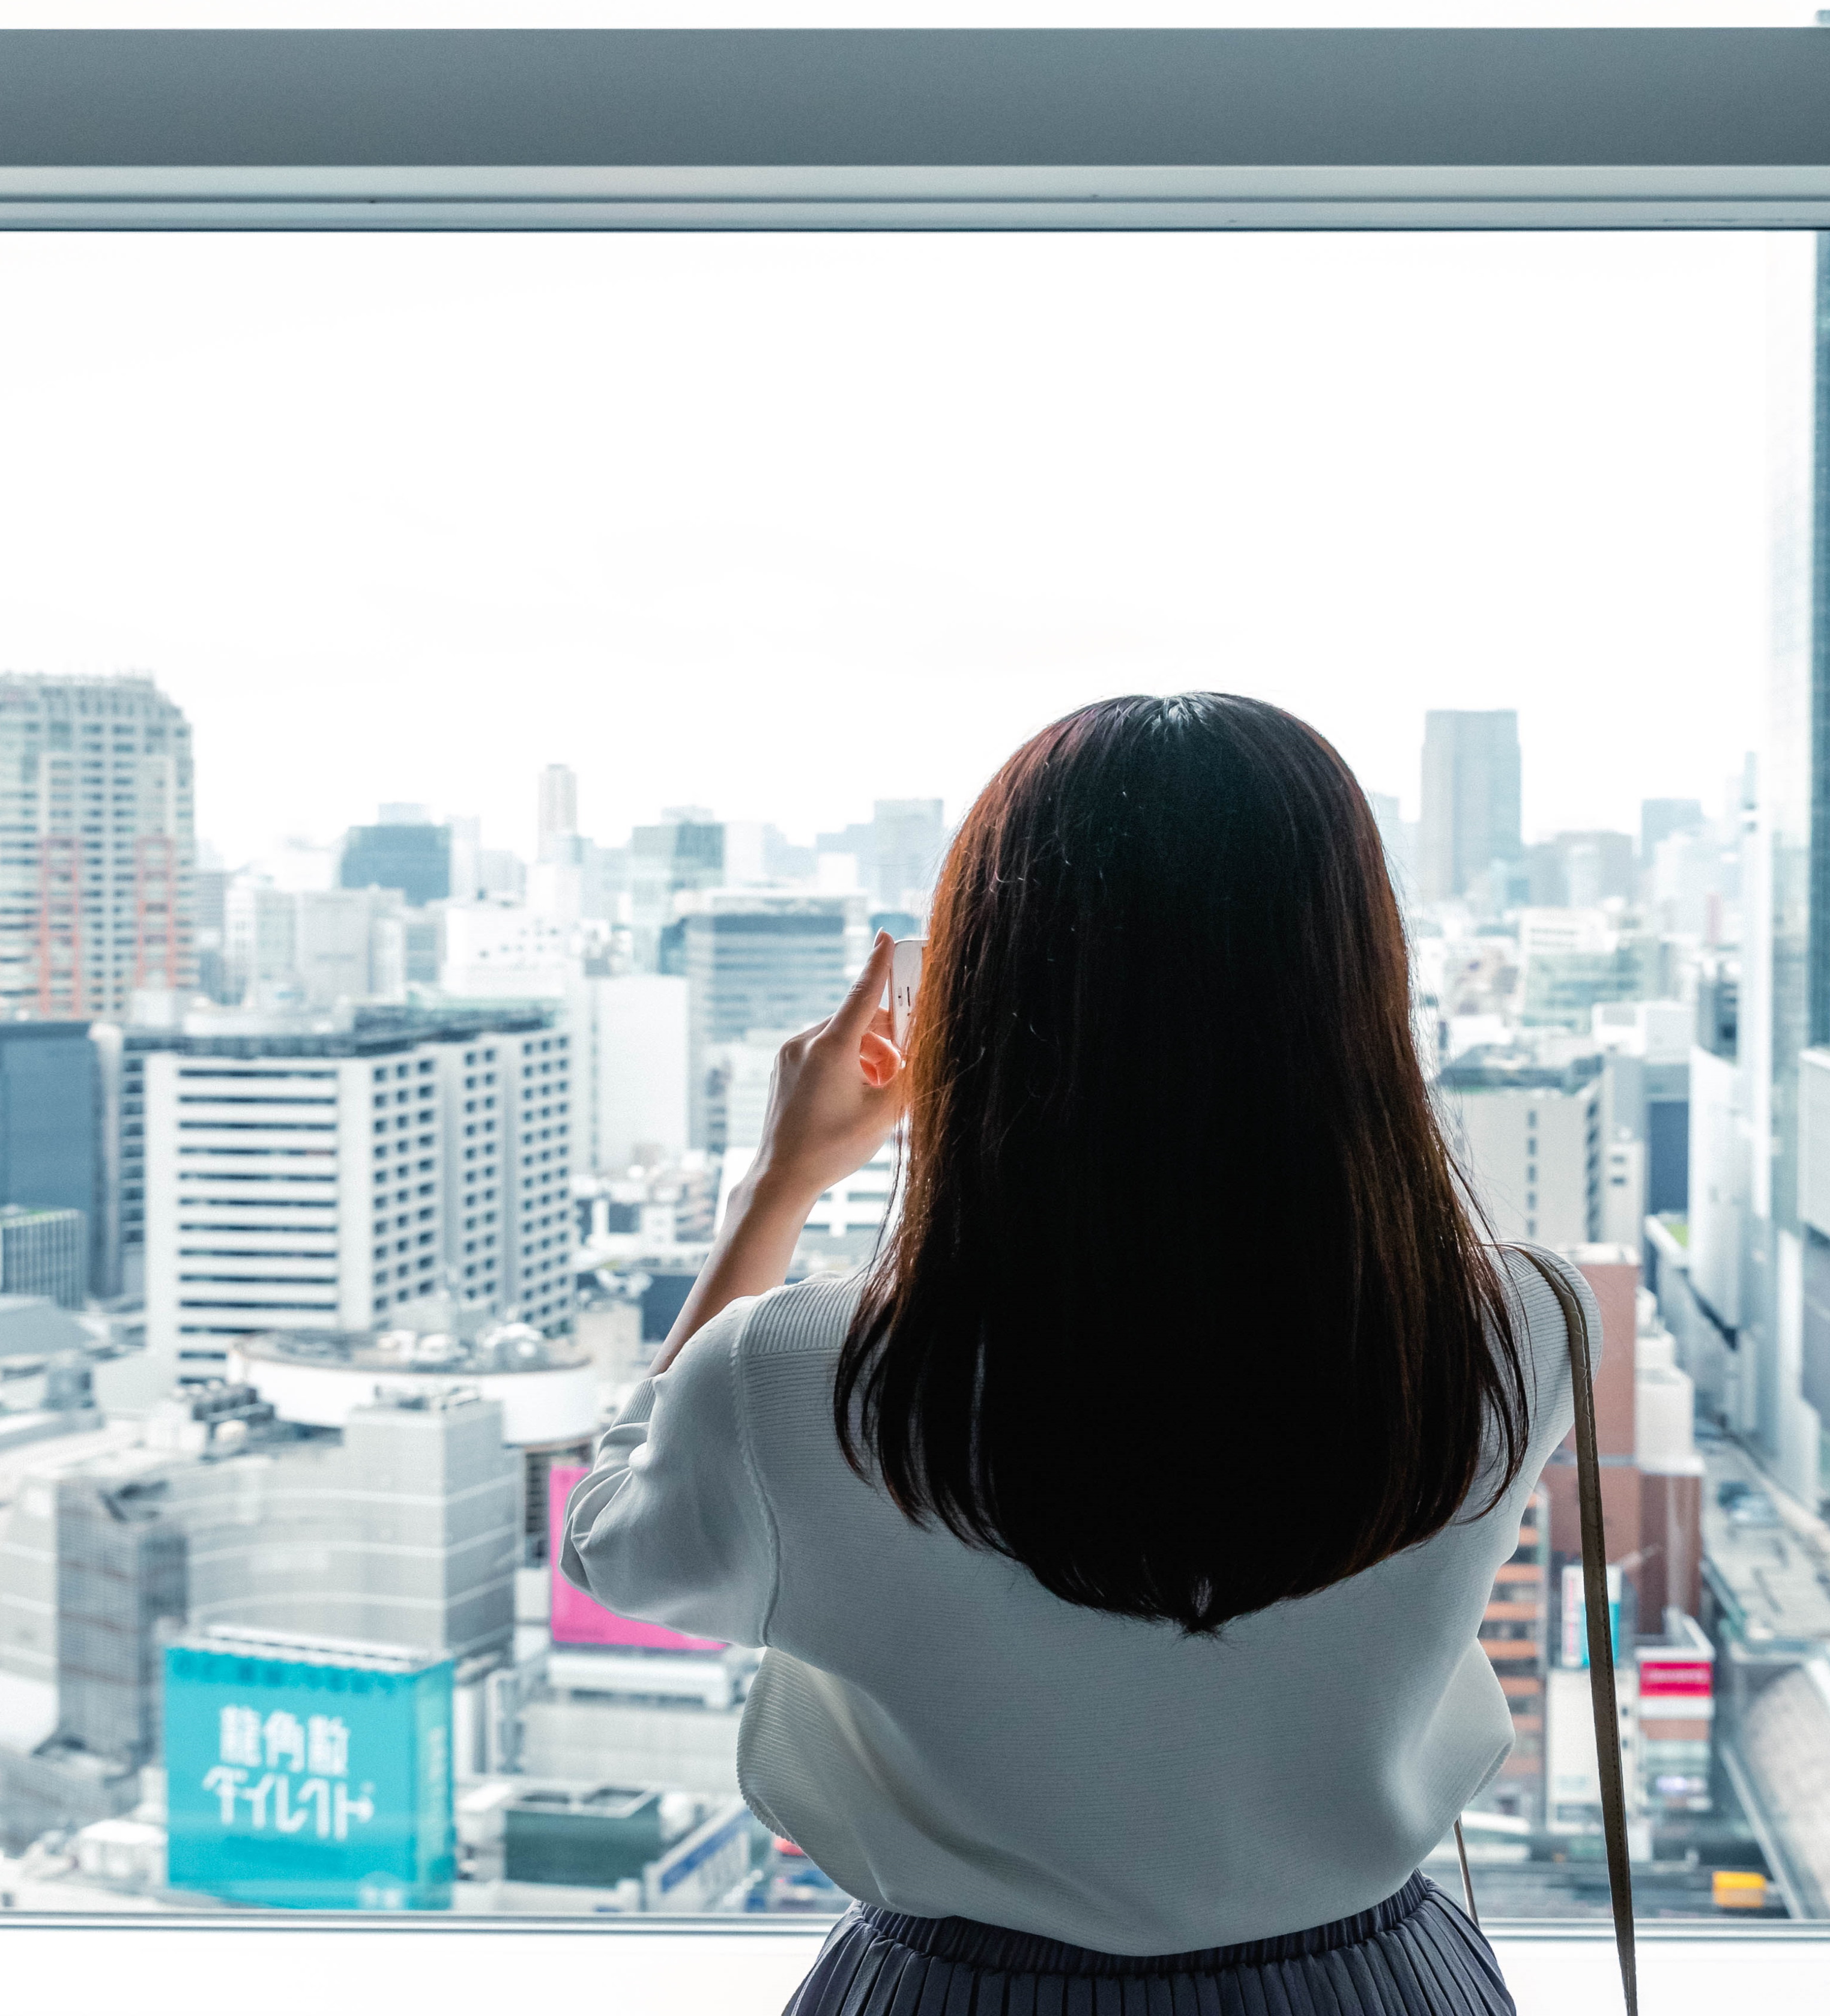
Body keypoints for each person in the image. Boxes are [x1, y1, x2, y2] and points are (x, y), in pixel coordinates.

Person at [563, 692, 1585, 2016]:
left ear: (986, 991)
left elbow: (616, 1550)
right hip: (1373, 1983)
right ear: (1356, 984)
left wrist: (776, 1188)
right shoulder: (1524, 1325)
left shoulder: (793, 1379)